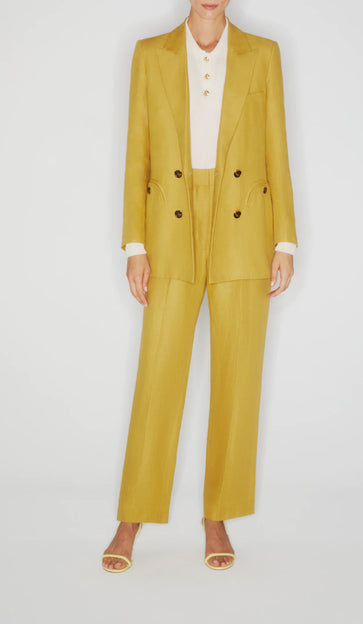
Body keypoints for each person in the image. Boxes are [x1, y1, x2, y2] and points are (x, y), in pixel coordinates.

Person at [102, 0, 298, 572]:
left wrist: (285, 240)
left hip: (246, 225)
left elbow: (277, 146)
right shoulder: (149, 54)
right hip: (170, 225)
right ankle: (131, 517)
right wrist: (135, 245)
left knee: (238, 376)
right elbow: (136, 152)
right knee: (158, 373)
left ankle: (218, 515)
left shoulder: (263, 54)